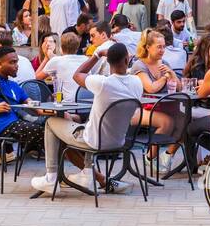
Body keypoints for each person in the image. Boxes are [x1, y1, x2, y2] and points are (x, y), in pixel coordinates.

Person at [30, 42, 142, 197]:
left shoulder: (103, 83)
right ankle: (90, 174)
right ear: (127, 59)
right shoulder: (137, 82)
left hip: (94, 141)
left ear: (108, 62)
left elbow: (77, 75)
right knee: (85, 124)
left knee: (51, 123)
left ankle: (51, 176)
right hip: (119, 142)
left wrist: (97, 55)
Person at [35, 30, 84, 103]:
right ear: (77, 48)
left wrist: (46, 58)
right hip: (85, 104)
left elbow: (36, 77)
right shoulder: (85, 59)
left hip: (65, 106)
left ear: (60, 47)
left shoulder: (56, 60)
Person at [131, 29, 178, 96]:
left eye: (164, 47)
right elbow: (151, 89)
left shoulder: (164, 63)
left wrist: (172, 73)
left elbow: (180, 88)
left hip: (166, 103)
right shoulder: (139, 65)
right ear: (148, 47)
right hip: (147, 105)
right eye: (159, 47)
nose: (162, 50)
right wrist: (165, 77)